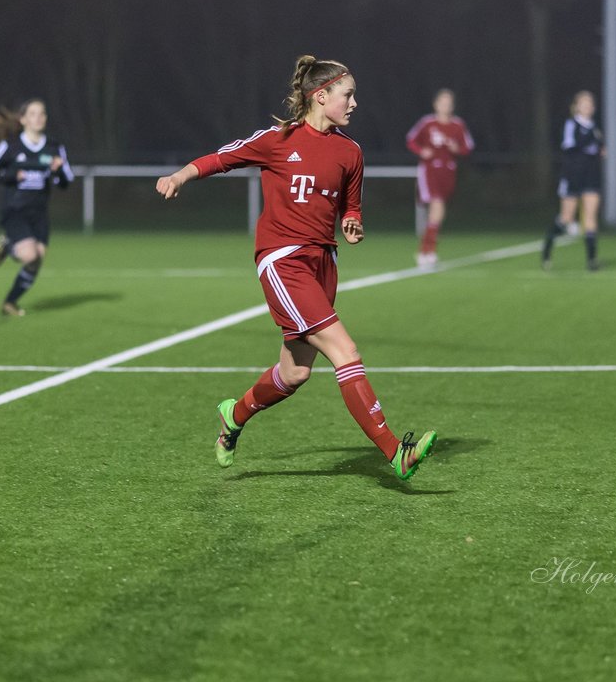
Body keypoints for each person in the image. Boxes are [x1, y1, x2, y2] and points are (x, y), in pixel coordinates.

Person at [155, 55, 437, 481]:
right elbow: (221, 158)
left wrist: (351, 223)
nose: (355, 103)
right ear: (320, 96)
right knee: (346, 351)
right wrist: (180, 175)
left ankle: (235, 414)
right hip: (283, 261)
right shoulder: (278, 139)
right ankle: (396, 452)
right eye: (348, 95)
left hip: (324, 262)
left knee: (296, 371)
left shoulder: (350, 151)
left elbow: (351, 206)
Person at [0, 99, 74, 316]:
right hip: (14, 210)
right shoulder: (11, 146)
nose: (38, 118)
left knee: (36, 260)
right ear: (23, 119)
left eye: (42, 114)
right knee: (30, 256)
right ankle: (10, 244)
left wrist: (58, 171)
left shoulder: (54, 148)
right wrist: (13, 175)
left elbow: (65, 182)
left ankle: (9, 303)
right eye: (32, 114)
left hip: (39, 213)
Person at [406, 88, 474, 268]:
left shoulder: (458, 125)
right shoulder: (427, 123)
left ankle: (428, 251)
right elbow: (411, 140)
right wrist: (422, 151)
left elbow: (467, 147)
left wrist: (456, 149)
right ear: (436, 104)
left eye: (449, 102)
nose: (445, 105)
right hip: (429, 171)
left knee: (437, 213)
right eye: (442, 101)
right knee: (437, 207)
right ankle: (425, 251)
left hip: (448, 172)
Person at [542, 90, 604, 271]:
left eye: (590, 103)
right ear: (576, 107)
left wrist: (600, 149)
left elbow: (599, 149)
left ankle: (592, 260)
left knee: (590, 217)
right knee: (566, 218)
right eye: (583, 103)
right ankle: (547, 249)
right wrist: (589, 143)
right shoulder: (571, 125)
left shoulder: (595, 128)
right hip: (572, 175)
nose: (587, 106)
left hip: (591, 176)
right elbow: (569, 146)